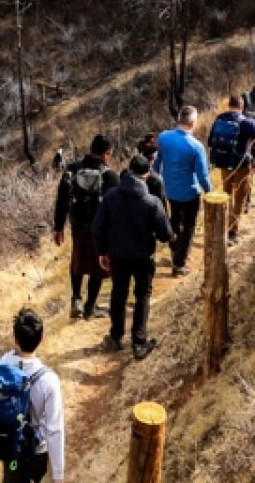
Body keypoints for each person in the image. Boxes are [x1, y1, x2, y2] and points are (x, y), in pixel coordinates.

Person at [93, 153, 174, 360]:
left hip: (117, 256)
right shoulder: (152, 202)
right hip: (143, 257)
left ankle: (115, 336)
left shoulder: (110, 196)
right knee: (142, 296)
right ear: (147, 176)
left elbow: (98, 227)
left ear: (129, 172)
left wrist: (102, 251)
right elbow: (165, 234)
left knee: (118, 294)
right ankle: (139, 343)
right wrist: (173, 236)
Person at [0, 309, 66, 482]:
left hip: (9, 445)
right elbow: (55, 430)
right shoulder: (48, 380)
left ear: (15, 338)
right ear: (41, 339)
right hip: (37, 452)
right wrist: (58, 474)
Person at [53, 134, 120, 321]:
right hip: (99, 229)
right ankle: (90, 307)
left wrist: (58, 227)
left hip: (77, 226)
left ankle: (76, 299)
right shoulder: (110, 175)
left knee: (77, 260)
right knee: (98, 266)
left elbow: (61, 200)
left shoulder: (72, 170)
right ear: (107, 154)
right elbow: (115, 207)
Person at [153, 105, 211, 276]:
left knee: (174, 219)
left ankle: (175, 249)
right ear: (193, 123)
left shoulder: (163, 137)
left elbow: (157, 163)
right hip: (190, 192)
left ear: (178, 119)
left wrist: (157, 180)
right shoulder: (196, 146)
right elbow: (202, 175)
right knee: (188, 226)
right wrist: (209, 191)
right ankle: (179, 263)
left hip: (169, 188)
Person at [206, 95, 255, 244]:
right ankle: (233, 231)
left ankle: (223, 223)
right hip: (242, 165)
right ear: (242, 106)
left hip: (224, 164)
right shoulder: (248, 123)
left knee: (227, 193)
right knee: (240, 198)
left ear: (229, 105)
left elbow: (210, 142)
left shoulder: (219, 119)